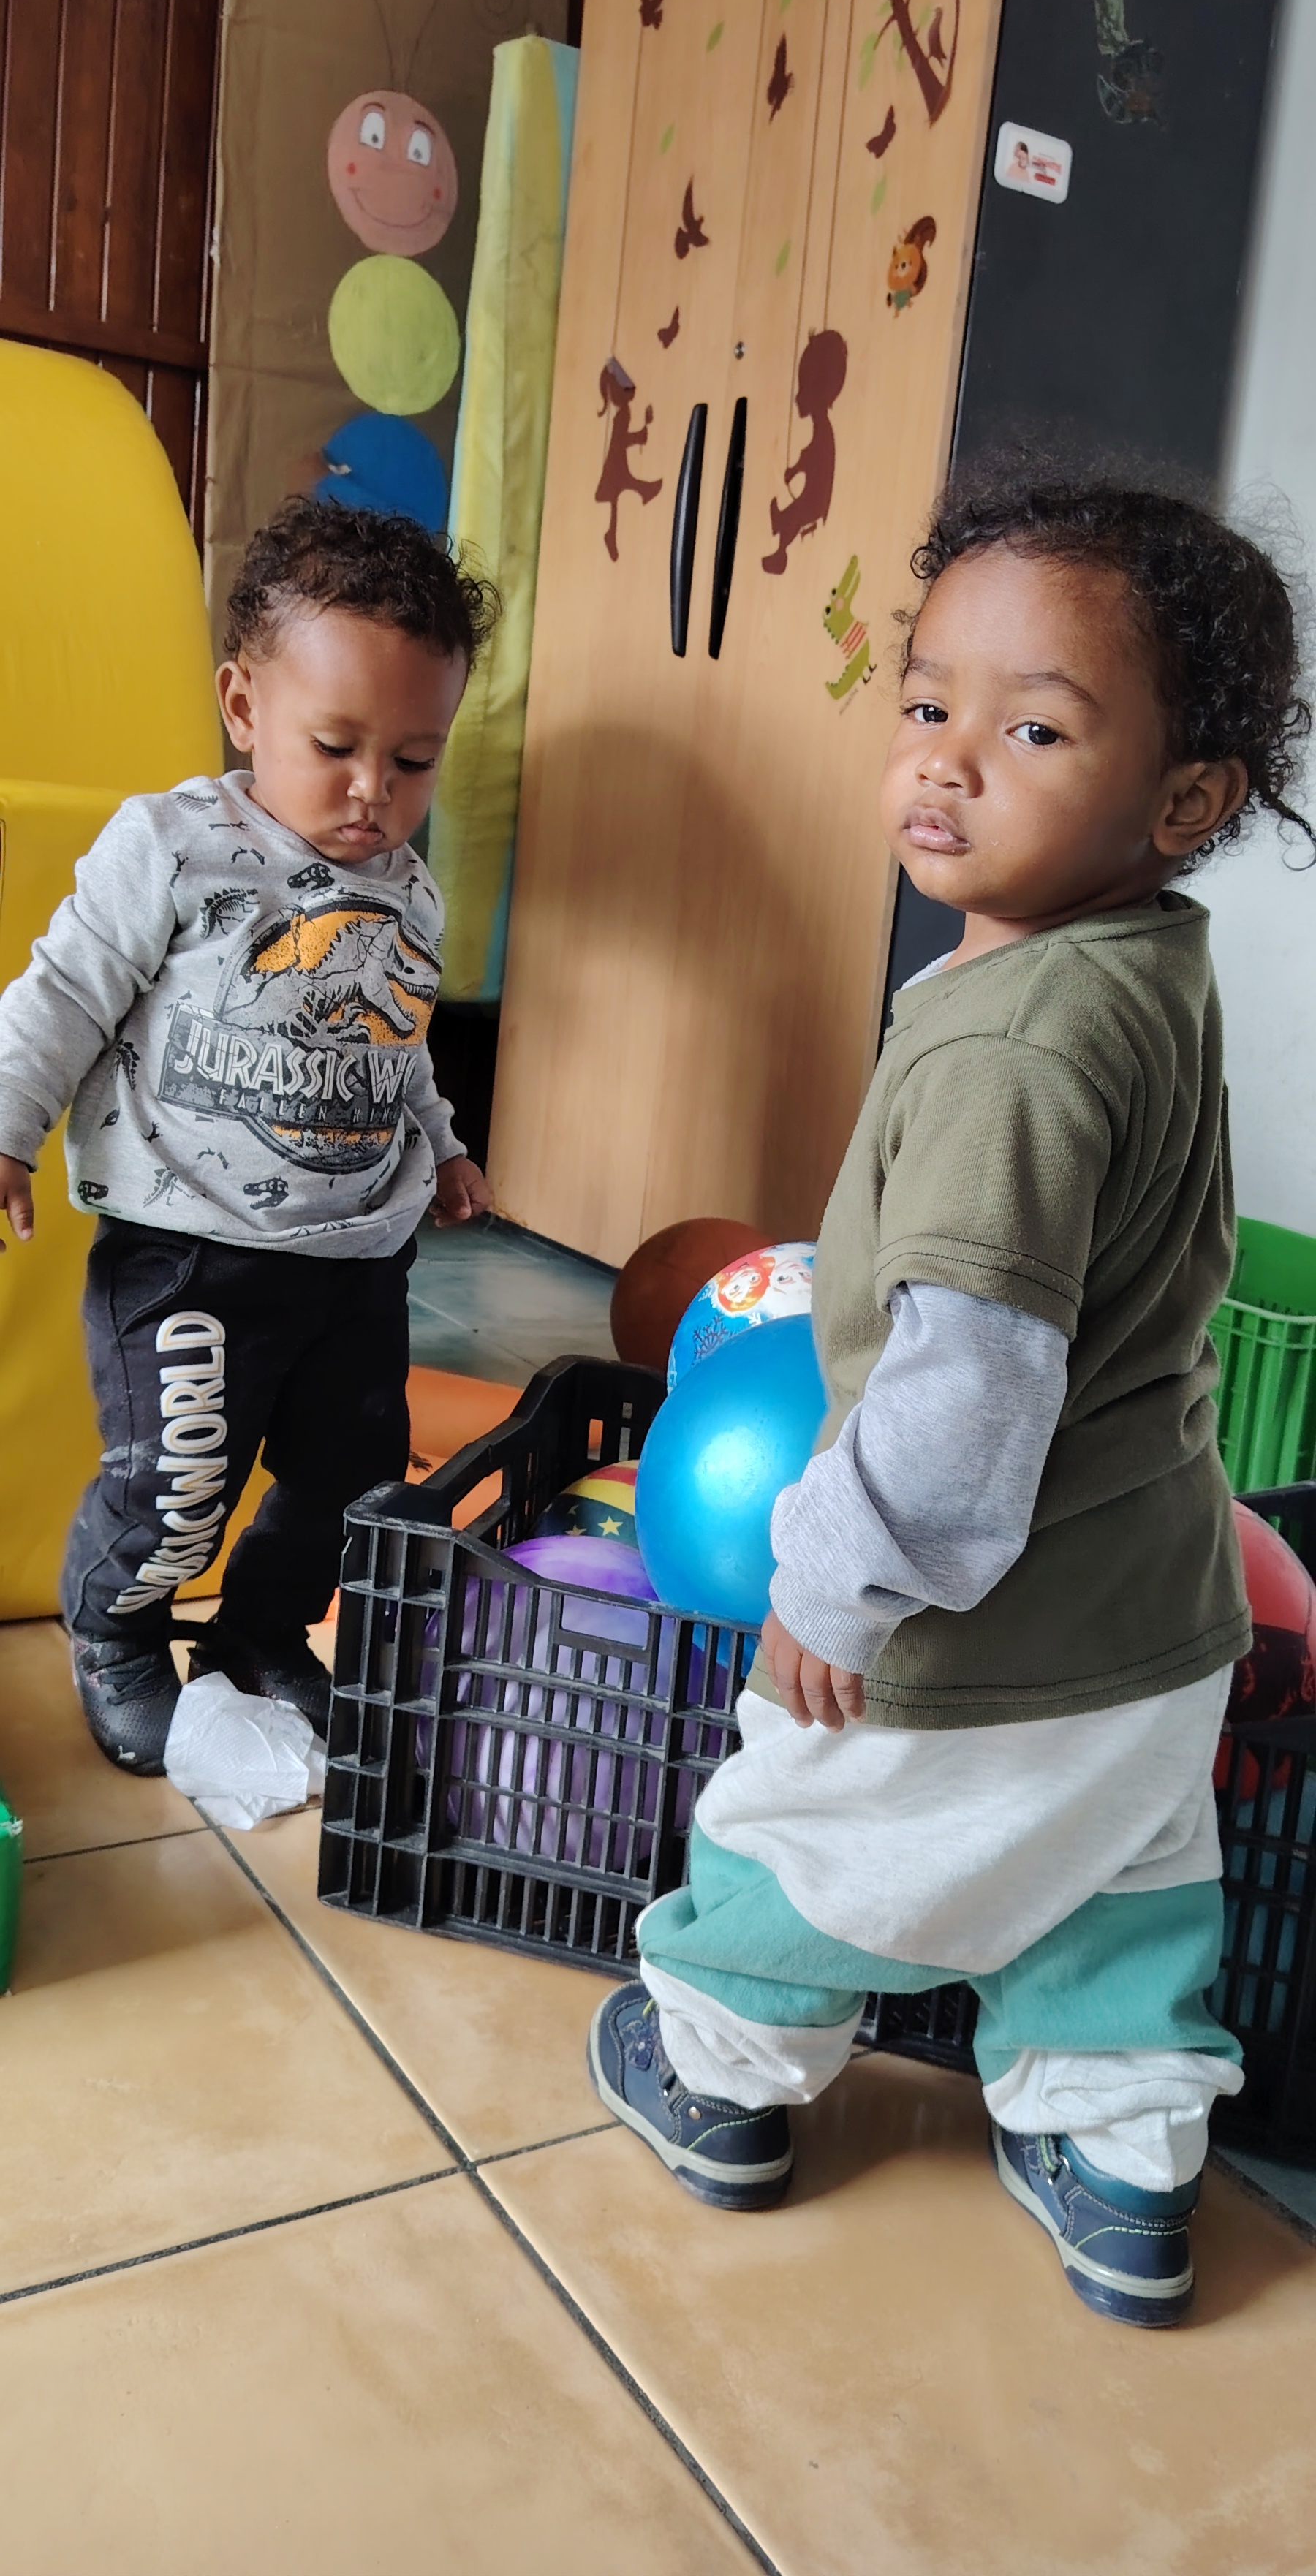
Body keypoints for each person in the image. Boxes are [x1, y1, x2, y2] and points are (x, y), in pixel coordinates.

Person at [589, 473, 1314, 2328]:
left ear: (1185, 801)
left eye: (1036, 729)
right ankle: (1127, 2164)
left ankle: (723, 2073)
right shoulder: (1143, 966)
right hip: (1159, 1621)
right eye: (928, 702)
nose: (949, 758)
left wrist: (836, 1590)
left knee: (815, 1833)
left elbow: (965, 1391)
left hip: (982, 1631)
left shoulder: (1010, 1047)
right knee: (1119, 1888)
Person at [0, 498, 494, 1775]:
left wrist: (442, 1144)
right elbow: (63, 991)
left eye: (415, 759)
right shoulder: (174, 847)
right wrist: (7, 1122)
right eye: (335, 746)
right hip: (189, 1256)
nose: (374, 792)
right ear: (242, 705)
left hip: (355, 1259)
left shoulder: (410, 891)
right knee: (179, 1485)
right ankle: (117, 1635)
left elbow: (399, 1040)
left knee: (349, 1479)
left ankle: (260, 1635)